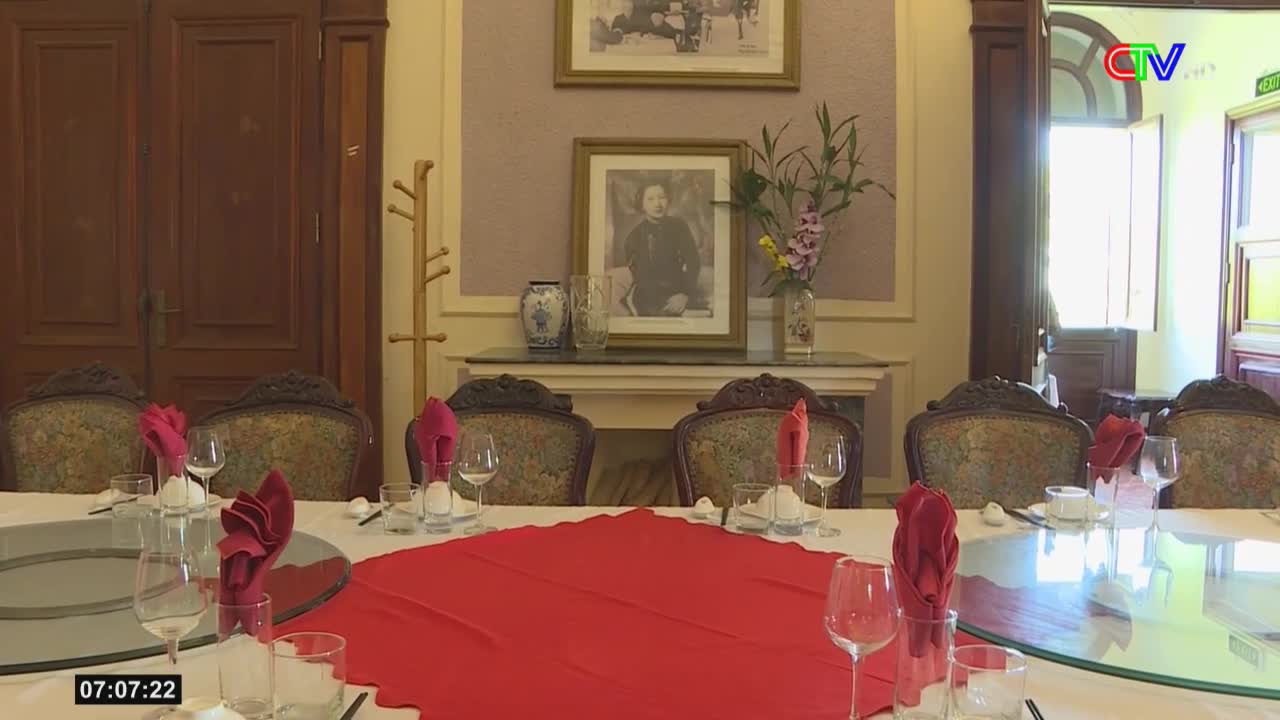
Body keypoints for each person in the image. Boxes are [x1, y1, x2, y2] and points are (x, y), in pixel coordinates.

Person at [623, 181, 702, 317]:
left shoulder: (679, 226)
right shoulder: (634, 237)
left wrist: (684, 294)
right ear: (641, 204)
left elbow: (693, 261)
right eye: (650, 199)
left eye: (662, 197)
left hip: (680, 289)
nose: (657, 204)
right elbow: (641, 277)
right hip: (648, 296)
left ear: (668, 200)